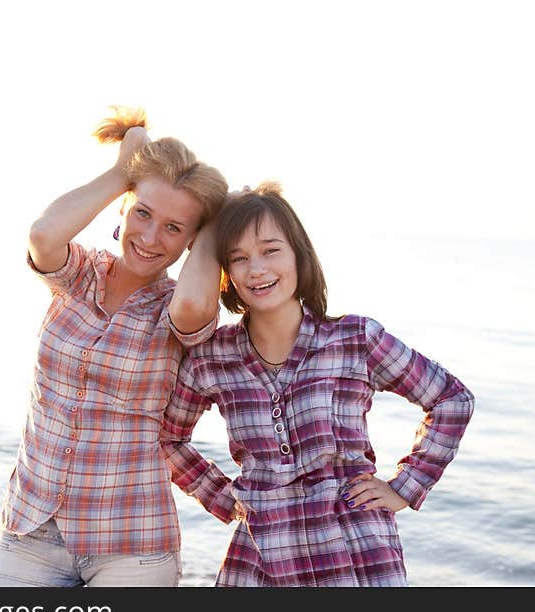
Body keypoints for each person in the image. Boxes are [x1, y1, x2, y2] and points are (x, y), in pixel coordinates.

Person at [160, 182, 475, 586]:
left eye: (271, 250)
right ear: (226, 272)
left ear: (298, 254)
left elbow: (452, 400)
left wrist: (405, 486)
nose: (257, 269)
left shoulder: (355, 339)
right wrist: (224, 500)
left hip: (354, 554)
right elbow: (168, 438)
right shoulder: (212, 357)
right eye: (238, 258)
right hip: (258, 560)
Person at [0, 107, 228, 587]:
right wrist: (123, 173)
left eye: (174, 228)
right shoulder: (80, 275)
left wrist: (217, 222)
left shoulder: (176, 308)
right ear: (124, 209)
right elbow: (43, 236)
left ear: (192, 241)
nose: (150, 237)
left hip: (131, 547)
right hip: (31, 529)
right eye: (143, 213)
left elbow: (198, 300)